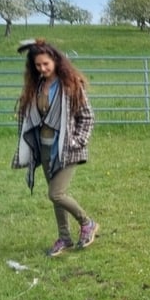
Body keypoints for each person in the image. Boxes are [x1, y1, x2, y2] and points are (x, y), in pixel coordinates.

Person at [12, 38, 99, 257]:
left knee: (56, 193)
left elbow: (87, 116)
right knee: (56, 195)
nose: (42, 68)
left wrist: (78, 141)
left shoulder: (70, 85)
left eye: (46, 64)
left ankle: (87, 223)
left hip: (67, 149)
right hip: (44, 148)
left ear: (55, 61)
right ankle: (65, 238)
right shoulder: (38, 86)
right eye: (38, 65)